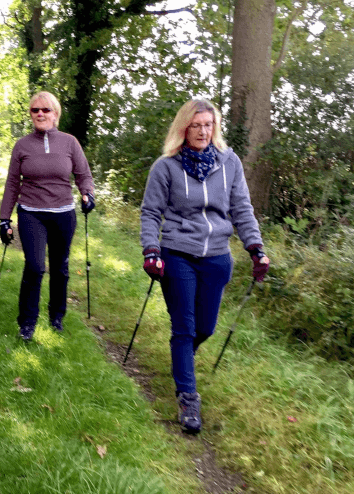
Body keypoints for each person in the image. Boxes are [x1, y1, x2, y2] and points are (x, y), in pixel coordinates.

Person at [140, 98, 269, 434]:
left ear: (215, 127)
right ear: (184, 127)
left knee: (206, 328)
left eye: (208, 125)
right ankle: (188, 398)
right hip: (177, 251)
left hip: (217, 255)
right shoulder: (166, 167)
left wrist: (255, 248)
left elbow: (242, 208)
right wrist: (151, 250)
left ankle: (183, 360)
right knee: (183, 327)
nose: (202, 131)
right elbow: (151, 212)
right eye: (195, 125)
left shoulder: (229, 163)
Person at [0, 91, 95, 341]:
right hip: (31, 213)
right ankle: (27, 322)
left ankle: (56, 316)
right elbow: (12, 183)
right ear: (31, 114)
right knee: (35, 267)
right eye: (35, 110)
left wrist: (87, 194)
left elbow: (83, 174)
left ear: (55, 114)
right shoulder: (22, 145)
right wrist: (4, 218)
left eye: (45, 110)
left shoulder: (70, 142)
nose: (40, 114)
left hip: (64, 213)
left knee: (60, 267)